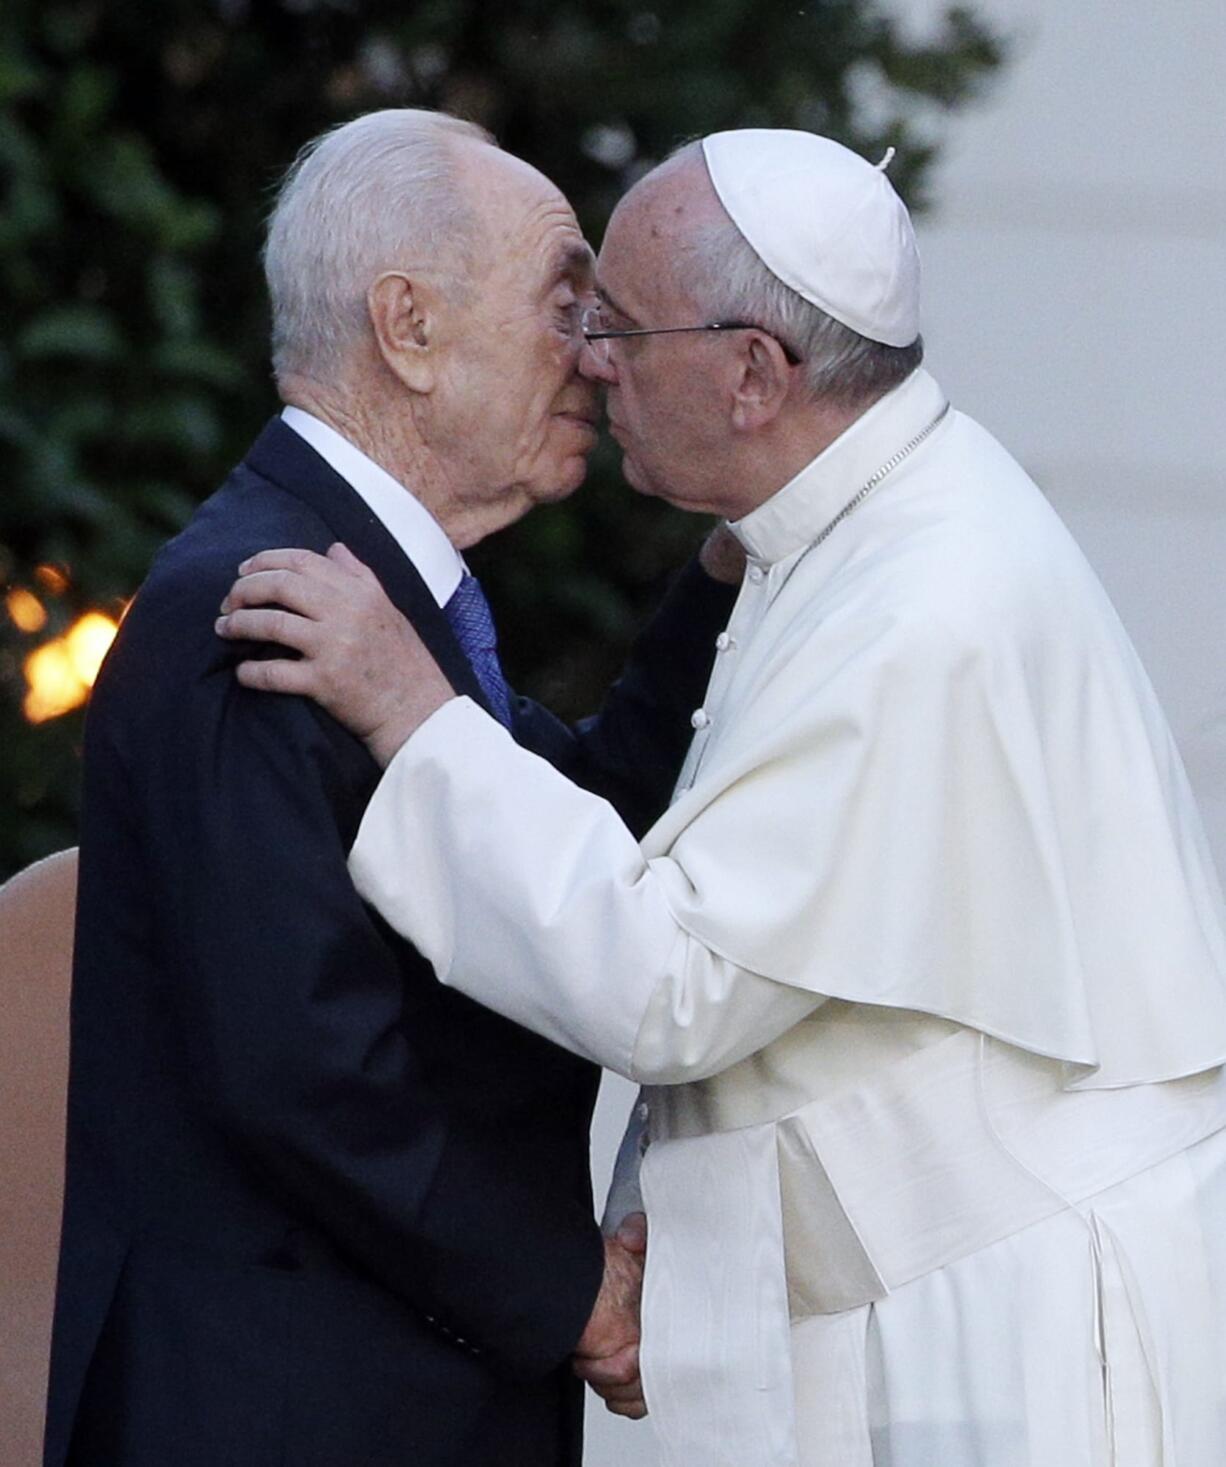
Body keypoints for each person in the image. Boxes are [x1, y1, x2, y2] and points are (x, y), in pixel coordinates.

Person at [217, 130, 1226, 1466]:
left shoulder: (920, 604)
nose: (588, 358)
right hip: (916, 1302)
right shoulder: (852, 530)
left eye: (620, 327)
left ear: (753, 373)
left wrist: (415, 715)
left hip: (999, 1325)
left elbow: (673, 983)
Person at [44, 108, 742, 1467]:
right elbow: (302, 1069)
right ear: (408, 327)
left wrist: (735, 559)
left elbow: (567, 812)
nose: (598, 356)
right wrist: (572, 1296)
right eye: (563, 301)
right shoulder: (249, 603)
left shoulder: (366, 596)